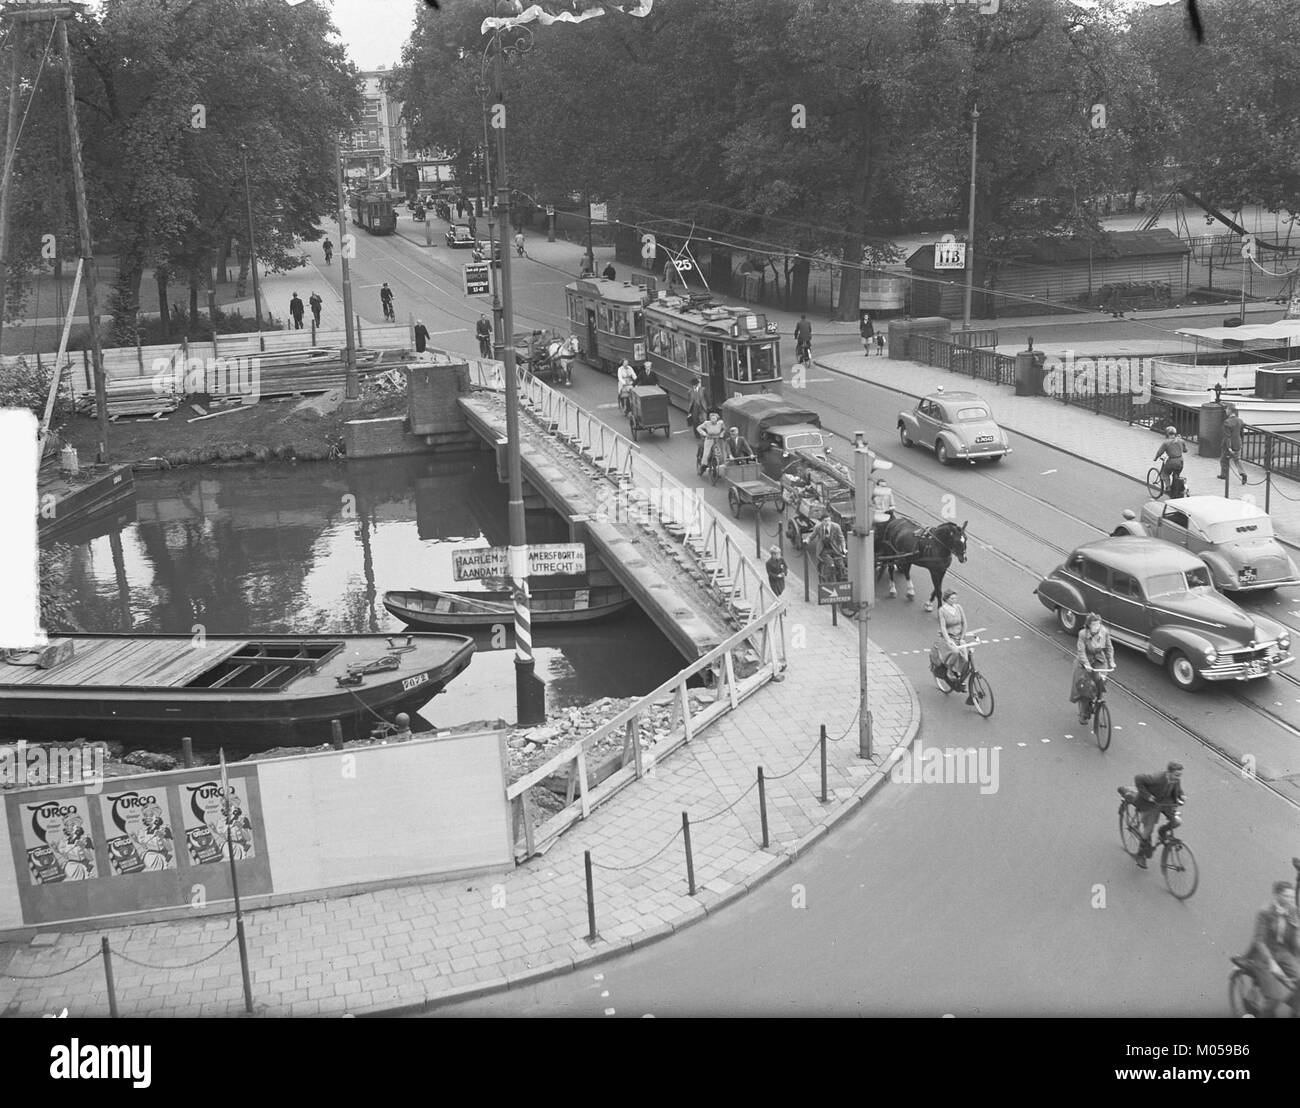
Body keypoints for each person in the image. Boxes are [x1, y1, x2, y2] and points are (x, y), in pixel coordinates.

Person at [1247, 880, 1300, 1018]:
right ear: (1277, 895)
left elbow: (1295, 937)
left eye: (1292, 896)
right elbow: (1259, 941)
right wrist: (1271, 962)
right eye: (1287, 896)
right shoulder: (1265, 912)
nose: (1291, 900)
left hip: (1282, 952)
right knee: (1273, 998)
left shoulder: (1292, 910)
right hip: (1263, 956)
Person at [1131, 761, 1185, 869]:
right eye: (1176, 775)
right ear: (1169, 772)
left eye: (1180, 775)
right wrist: (1148, 796)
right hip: (1151, 804)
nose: (1178, 778)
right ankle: (1141, 855)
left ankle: (1162, 831)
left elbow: (1177, 790)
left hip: (1165, 802)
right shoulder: (1157, 778)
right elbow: (1138, 778)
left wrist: (1181, 795)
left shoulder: (1175, 779)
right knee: (1148, 829)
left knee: (1177, 821)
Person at [1070, 612, 1115, 725]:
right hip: (1085, 662)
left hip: (1099, 660)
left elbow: (1109, 648)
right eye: (1094, 624)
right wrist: (1086, 664)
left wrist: (1111, 661)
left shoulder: (1104, 632)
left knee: (1101, 681)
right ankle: (1083, 713)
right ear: (1089, 625)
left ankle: (1099, 700)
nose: (1097, 626)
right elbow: (1081, 651)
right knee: (1086, 688)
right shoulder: (1082, 634)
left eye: (1098, 624)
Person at [933, 588, 975, 704]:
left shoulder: (959, 607)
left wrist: (962, 637)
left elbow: (964, 623)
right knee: (955, 652)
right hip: (949, 638)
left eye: (955, 597)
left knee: (966, 659)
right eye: (952, 598)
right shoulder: (942, 610)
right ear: (946, 599)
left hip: (959, 636)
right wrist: (948, 640)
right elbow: (943, 627)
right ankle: (950, 671)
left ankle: (960, 677)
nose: (954, 600)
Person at [810, 513, 846, 580]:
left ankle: (840, 576)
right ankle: (829, 578)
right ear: (822, 521)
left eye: (829, 520)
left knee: (841, 564)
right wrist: (807, 540)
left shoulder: (836, 526)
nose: (828, 522)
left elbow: (841, 538)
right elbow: (812, 535)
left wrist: (843, 548)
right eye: (826, 521)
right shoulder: (818, 527)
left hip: (835, 548)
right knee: (830, 564)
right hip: (824, 550)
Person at [1219, 403, 1247, 484]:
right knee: (1237, 460)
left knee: (1223, 460)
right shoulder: (1240, 421)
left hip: (1228, 444)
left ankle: (1224, 475)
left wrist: (1229, 447)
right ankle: (1243, 473)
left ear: (1230, 411)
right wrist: (1240, 442)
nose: (1226, 411)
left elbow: (1227, 436)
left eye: (1227, 409)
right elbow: (1241, 433)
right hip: (1238, 443)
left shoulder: (1227, 422)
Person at [1153, 426, 1186, 490]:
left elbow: (1160, 452)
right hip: (1180, 461)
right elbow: (1185, 450)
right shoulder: (1181, 441)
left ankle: (1168, 487)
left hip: (1171, 461)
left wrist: (1156, 458)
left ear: (1167, 434)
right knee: (1176, 474)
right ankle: (1176, 489)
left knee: (1164, 473)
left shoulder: (1166, 443)